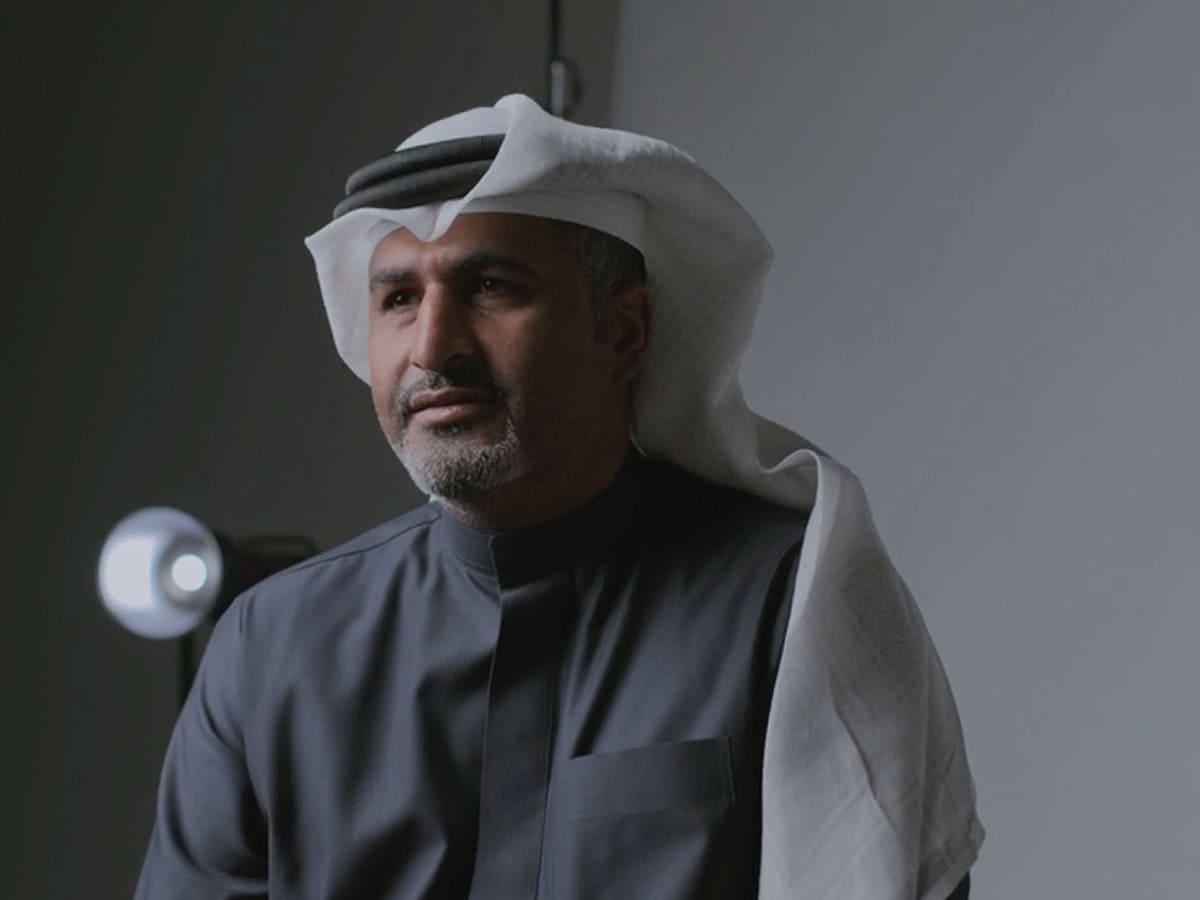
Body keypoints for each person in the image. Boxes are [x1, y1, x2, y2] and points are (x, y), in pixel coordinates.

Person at [133, 95, 983, 899]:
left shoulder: (791, 599)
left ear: (623, 330)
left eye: (491, 287)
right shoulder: (271, 644)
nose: (433, 346)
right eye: (398, 299)